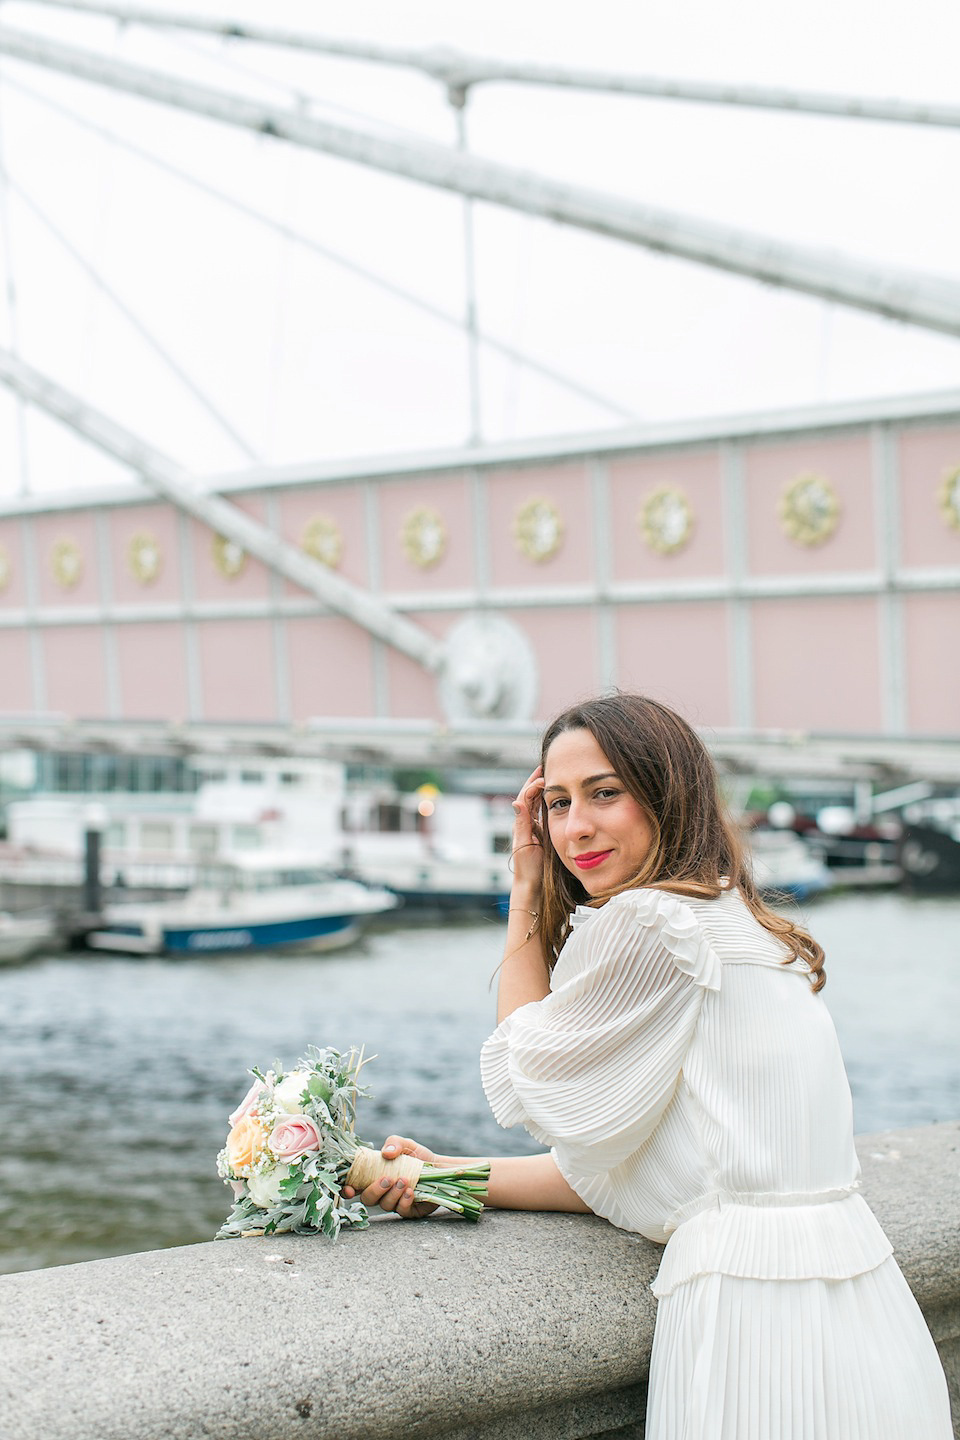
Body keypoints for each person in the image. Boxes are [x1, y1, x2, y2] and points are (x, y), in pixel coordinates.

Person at [345, 693, 952, 1439]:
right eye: (558, 803)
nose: (574, 828)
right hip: (862, 1309)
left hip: (752, 1317)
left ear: (667, 794)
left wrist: (526, 889)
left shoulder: (650, 921)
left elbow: (525, 1065)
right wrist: (452, 1175)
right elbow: (639, 1166)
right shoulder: (740, 924)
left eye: (605, 794)